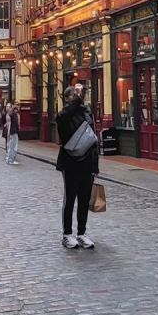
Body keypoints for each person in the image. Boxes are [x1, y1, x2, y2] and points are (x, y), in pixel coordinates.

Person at [55, 85, 98, 249]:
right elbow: (67, 114)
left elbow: (92, 140)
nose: (77, 98)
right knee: (70, 198)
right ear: (66, 99)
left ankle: (81, 233)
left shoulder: (86, 114)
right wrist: (79, 97)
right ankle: (67, 234)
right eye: (73, 96)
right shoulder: (63, 116)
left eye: (77, 95)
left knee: (84, 199)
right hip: (70, 162)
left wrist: (95, 166)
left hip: (87, 163)